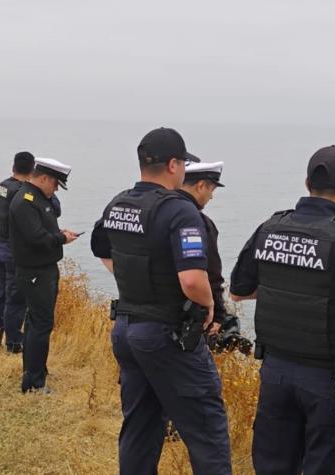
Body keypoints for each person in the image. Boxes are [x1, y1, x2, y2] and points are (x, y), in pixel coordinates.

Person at [90, 127, 232, 474]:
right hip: (167, 333)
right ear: (173, 165)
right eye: (182, 162)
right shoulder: (181, 212)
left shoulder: (119, 203)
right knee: (207, 427)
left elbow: (101, 248)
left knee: (140, 425)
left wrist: (133, 280)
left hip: (126, 328)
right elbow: (191, 279)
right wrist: (209, 304)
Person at [230, 145, 335, 475]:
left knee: (274, 466)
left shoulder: (271, 227)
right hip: (330, 380)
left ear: (307, 182)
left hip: (276, 372)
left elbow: (239, 291)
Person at [8, 157, 79, 393]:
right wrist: (62, 239)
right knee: (41, 324)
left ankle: (35, 369)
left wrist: (58, 231)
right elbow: (36, 239)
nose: (56, 189)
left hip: (43, 268)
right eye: (56, 184)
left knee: (35, 321)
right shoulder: (26, 201)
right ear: (44, 178)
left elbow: (40, 229)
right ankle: (35, 383)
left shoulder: (38, 198)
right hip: (35, 271)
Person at [175, 161, 250, 354]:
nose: (211, 197)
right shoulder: (198, 222)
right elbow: (210, 274)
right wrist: (217, 315)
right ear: (200, 186)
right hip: (186, 321)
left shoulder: (158, 210)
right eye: (211, 189)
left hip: (143, 318)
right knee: (205, 383)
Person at [0, 151, 35, 353]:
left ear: (13, 166)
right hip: (14, 251)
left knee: (2, 295)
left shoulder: (1, 186)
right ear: (32, 169)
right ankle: (14, 343)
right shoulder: (23, 192)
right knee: (16, 299)